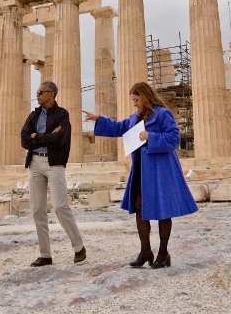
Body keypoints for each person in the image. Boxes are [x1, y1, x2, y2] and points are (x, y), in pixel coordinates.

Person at [83, 81, 197, 269]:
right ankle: (145, 251)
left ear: (145, 97)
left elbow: (174, 138)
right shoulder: (135, 118)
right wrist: (99, 119)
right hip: (141, 170)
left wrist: (151, 137)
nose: (134, 103)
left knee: (163, 210)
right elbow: (120, 128)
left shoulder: (163, 114)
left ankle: (163, 252)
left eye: (136, 100)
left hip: (160, 170)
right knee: (139, 207)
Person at [21, 81, 86, 267]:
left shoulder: (62, 114)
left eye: (41, 92)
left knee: (59, 206)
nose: (37, 94)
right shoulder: (33, 115)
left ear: (51, 94)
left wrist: (37, 136)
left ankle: (79, 247)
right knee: (37, 209)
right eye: (37, 91)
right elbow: (24, 140)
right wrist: (43, 137)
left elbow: (60, 139)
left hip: (54, 162)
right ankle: (45, 254)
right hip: (34, 162)